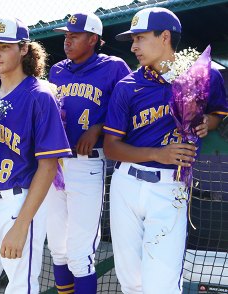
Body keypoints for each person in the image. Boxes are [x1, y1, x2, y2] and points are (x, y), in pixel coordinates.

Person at [104, 7, 228, 293]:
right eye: (132, 40)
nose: (133, 46)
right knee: (130, 280)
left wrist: (205, 122)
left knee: (160, 282)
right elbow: (111, 147)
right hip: (127, 185)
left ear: (165, 37)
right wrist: (157, 154)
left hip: (171, 187)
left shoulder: (204, 76)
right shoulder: (128, 85)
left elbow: (218, 112)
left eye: (139, 38)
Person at [0, 17, 71, 293]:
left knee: (20, 287)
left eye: (4, 46)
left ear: (23, 49)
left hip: (19, 201)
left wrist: (22, 225)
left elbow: (48, 166)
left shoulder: (40, 94)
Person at [45, 12, 131, 293]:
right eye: (66, 35)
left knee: (80, 253)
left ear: (93, 39)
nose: (67, 41)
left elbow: (129, 107)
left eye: (75, 35)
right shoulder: (56, 70)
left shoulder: (114, 67)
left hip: (88, 162)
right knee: (57, 248)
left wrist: (99, 127)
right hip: (54, 165)